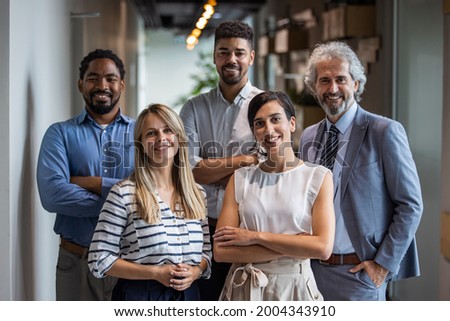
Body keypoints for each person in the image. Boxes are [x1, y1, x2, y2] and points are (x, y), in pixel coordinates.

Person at [298, 41, 423, 300]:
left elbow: (410, 205)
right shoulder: (308, 136)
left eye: (341, 79)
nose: (333, 89)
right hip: (311, 271)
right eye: (324, 81)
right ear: (314, 87)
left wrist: (383, 265)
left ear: (356, 84)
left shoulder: (384, 132)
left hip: (359, 275)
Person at [213, 91, 335, 301]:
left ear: (292, 123)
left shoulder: (318, 177)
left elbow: (323, 248)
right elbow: (222, 251)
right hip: (245, 289)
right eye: (259, 124)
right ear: (254, 132)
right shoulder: (240, 178)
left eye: (276, 119)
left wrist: (254, 237)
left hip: (294, 290)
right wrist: (295, 247)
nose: (269, 130)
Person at [36, 49, 135, 300]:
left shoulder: (142, 134)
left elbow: (153, 192)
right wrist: (125, 202)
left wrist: (93, 183)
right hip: (77, 260)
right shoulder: (59, 134)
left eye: (110, 79)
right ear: (81, 84)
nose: (102, 85)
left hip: (132, 261)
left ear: (121, 85)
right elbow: (52, 195)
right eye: (93, 78)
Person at [88, 104, 211, 301]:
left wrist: (196, 272)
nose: (161, 139)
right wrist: (154, 273)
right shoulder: (123, 194)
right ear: (141, 144)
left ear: (179, 138)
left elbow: (206, 254)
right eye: (151, 133)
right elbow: (99, 260)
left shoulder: (197, 194)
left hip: (189, 296)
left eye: (168, 130)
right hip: (140, 296)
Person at [179, 20, 262, 300]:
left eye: (239, 52)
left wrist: (211, 167)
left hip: (251, 229)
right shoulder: (193, 108)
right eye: (224, 52)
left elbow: (269, 170)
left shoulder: (267, 106)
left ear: (251, 57)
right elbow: (191, 171)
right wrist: (245, 161)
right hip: (200, 229)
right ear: (215, 56)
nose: (231, 59)